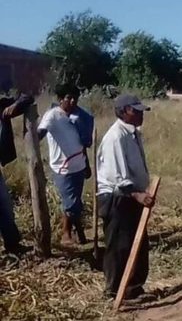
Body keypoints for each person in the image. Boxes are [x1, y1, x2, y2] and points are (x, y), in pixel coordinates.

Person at [96, 94, 154, 300]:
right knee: (120, 245)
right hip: (118, 197)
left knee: (137, 244)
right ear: (123, 111)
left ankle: (133, 288)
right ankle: (115, 292)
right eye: (135, 110)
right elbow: (117, 174)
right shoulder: (115, 137)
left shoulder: (133, 134)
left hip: (131, 195)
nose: (140, 114)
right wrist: (136, 194)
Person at [38, 84, 89, 246]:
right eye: (69, 97)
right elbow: (41, 132)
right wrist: (32, 138)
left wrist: (86, 163)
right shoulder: (52, 115)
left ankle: (76, 232)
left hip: (79, 165)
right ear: (60, 99)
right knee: (71, 203)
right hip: (62, 168)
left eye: (75, 98)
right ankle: (67, 233)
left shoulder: (78, 117)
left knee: (74, 202)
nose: (73, 101)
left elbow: (81, 141)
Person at [0, 88, 33, 254]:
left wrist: (16, 105)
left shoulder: (1, 106)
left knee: (5, 206)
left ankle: (13, 245)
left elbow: (27, 97)